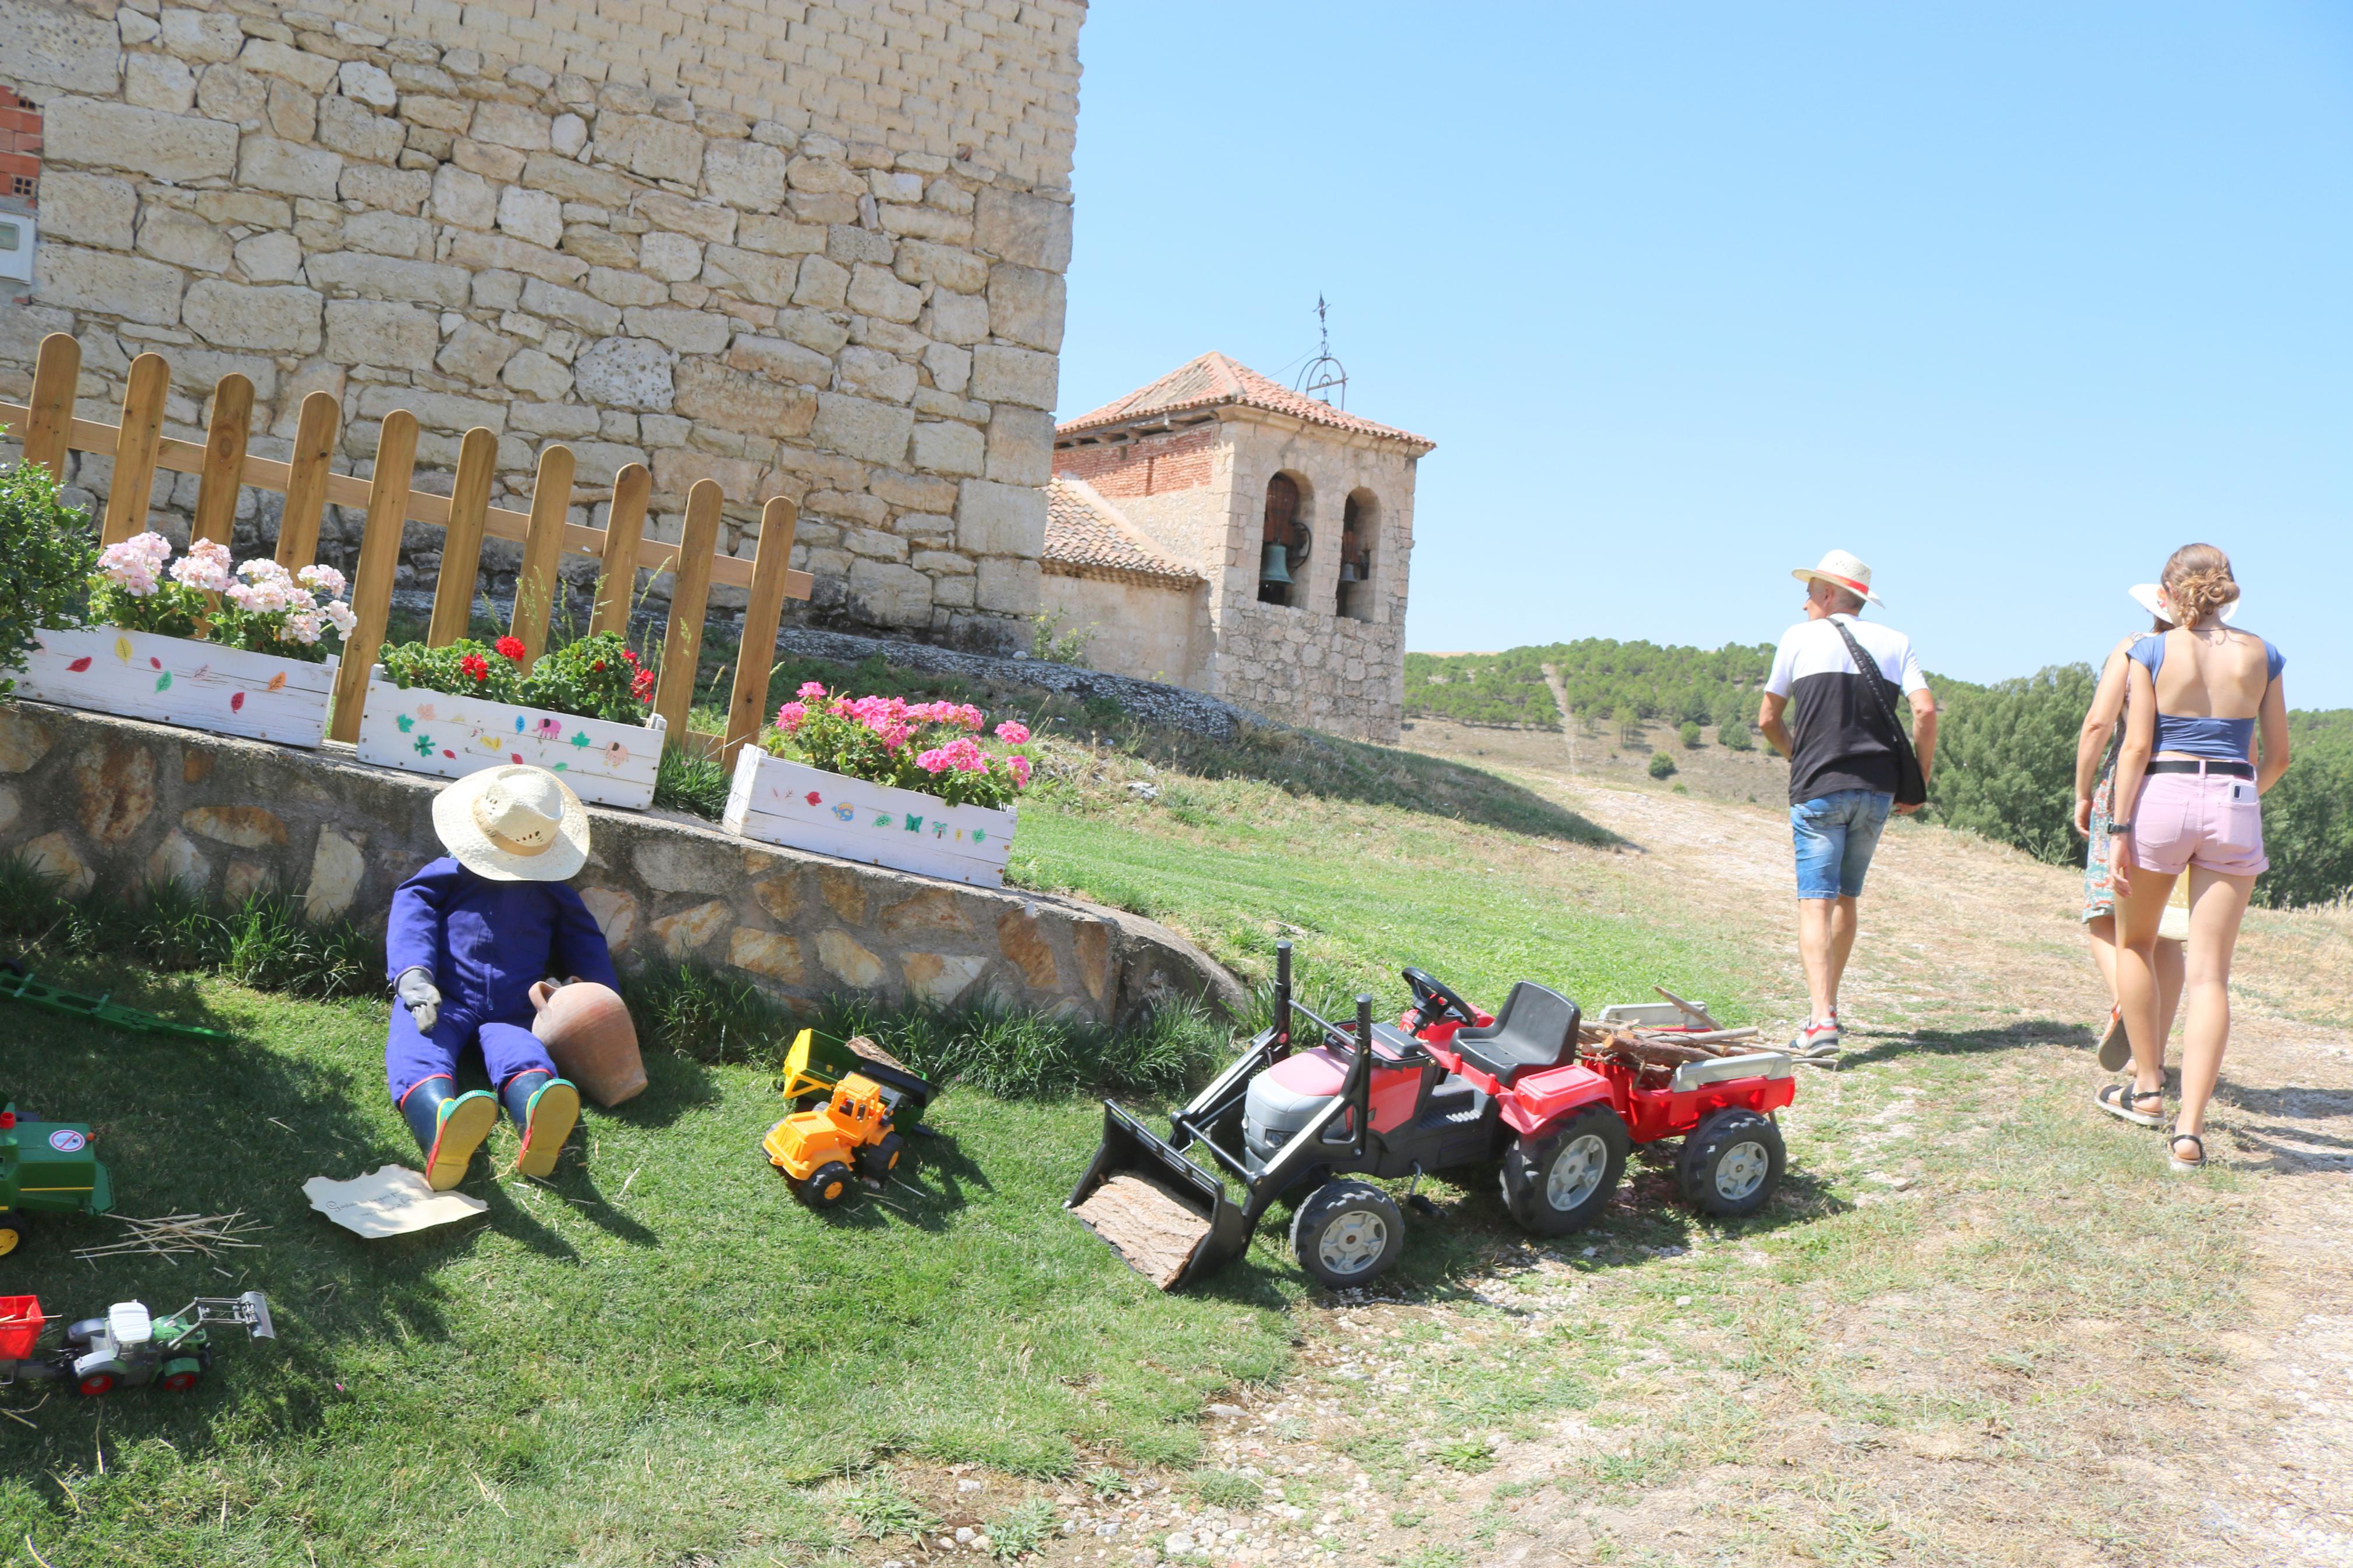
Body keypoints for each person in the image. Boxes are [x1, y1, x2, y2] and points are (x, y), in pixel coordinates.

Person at [2101, 545, 2287, 1171]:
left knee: (2135, 943)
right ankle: (2188, 1135)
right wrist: (2236, 799)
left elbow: (2133, 746)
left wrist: (2118, 827)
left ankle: (2148, 1088)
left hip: (2161, 791)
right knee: (2210, 975)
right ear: (2227, 590)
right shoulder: (2262, 652)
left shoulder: (2148, 650)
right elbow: (2278, 756)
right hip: (2233, 792)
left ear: (2168, 590)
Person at [386, 765, 617, 1190]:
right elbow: (412, 911)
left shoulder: (552, 889)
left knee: (524, 1053)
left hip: (517, 1008)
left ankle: (536, 1110)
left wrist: (594, 997)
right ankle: (439, 1123)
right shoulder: (448, 873)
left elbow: (584, 941)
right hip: (443, 996)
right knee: (418, 1044)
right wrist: (413, 975)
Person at [1758, 550, 1936, 1060]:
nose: (1805, 601)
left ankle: (1821, 1020)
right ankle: (1826, 1009)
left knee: (1814, 899)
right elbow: (1923, 709)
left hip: (1819, 785)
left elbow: (1768, 716)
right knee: (1845, 898)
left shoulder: (1796, 638)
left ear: (1831, 594)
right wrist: (1919, 777)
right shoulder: (1897, 641)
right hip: (1877, 789)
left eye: (1812, 590)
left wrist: (1800, 754)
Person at [2075, 586, 2206, 1069]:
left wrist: (2082, 790)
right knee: (2167, 932)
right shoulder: (2217, 657)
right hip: (2195, 793)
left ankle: (2126, 1004)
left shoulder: (2134, 647)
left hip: (2131, 789)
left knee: (2103, 914)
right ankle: (2148, 1048)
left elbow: (2098, 724)